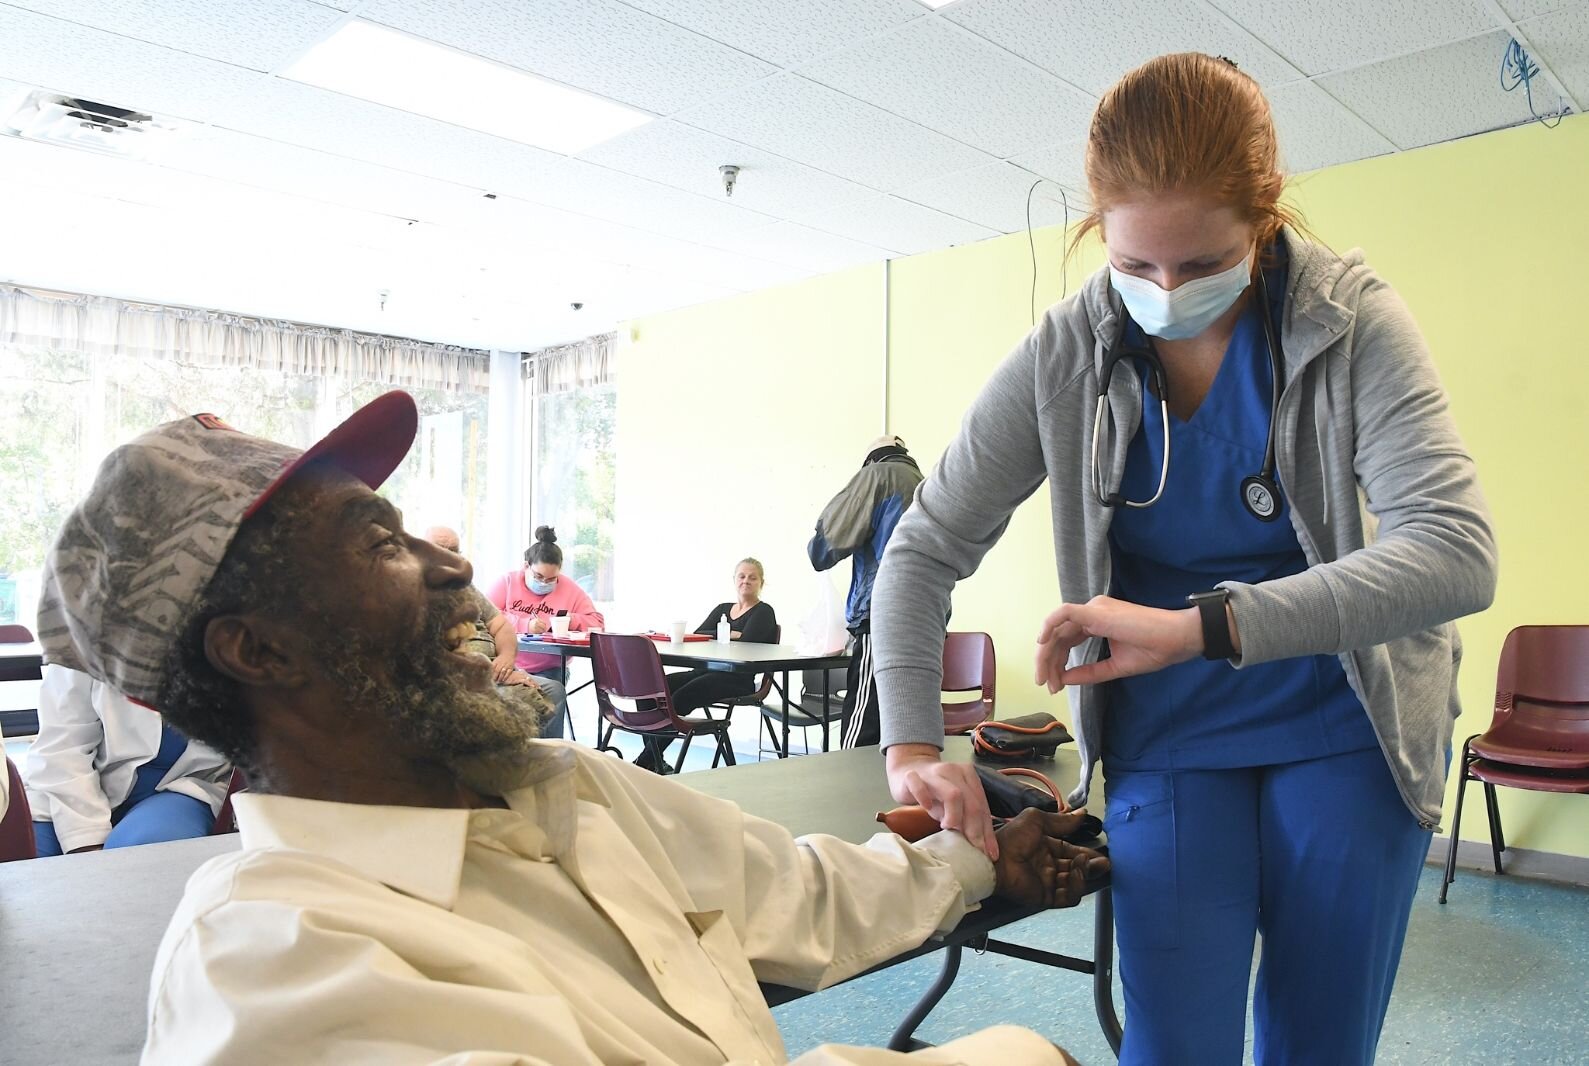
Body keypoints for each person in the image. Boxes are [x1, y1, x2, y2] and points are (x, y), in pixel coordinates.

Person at [35, 393, 1105, 1065]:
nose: (453, 565)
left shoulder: (561, 786)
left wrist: (972, 866)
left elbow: (800, 891)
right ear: (256, 651)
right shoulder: (276, 972)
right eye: (378, 544)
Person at [871, 53, 1497, 1066]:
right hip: (1166, 739)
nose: (1163, 292)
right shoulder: (1064, 355)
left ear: (1262, 218)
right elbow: (921, 549)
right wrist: (909, 745)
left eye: (1202, 264)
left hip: (1345, 722)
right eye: (1133, 266)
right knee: (1173, 1044)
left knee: (1316, 1046)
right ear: (1097, 235)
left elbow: (1454, 552)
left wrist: (1199, 626)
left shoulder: (1350, 323)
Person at [24, 663, 230, 855]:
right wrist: (85, 843)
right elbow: (63, 747)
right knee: (23, 860)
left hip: (186, 788)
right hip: (71, 785)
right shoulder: (81, 637)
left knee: (146, 853)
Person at [808, 435, 923, 749]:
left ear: (871, 459)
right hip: (928, 621)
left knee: (863, 722)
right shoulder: (926, 484)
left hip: (883, 615)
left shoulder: (876, 476)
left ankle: (848, 796)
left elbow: (824, 548)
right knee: (906, 727)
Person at [425, 525, 570, 740]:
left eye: (454, 551)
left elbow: (501, 626)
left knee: (554, 689)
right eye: (440, 549)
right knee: (522, 697)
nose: (448, 557)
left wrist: (506, 659)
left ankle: (545, 760)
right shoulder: (418, 594)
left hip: (500, 667)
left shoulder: (465, 587)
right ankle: (518, 761)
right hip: (468, 675)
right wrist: (490, 673)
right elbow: (433, 653)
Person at [635, 558, 778, 774]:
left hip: (737, 680)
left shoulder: (764, 611)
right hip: (706, 671)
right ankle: (655, 759)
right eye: (742, 576)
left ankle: (644, 762)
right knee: (649, 689)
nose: (746, 581)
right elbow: (699, 634)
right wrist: (729, 633)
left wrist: (725, 633)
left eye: (752, 577)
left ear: (761, 583)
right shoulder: (723, 608)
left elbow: (748, 642)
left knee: (682, 697)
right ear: (734, 580)